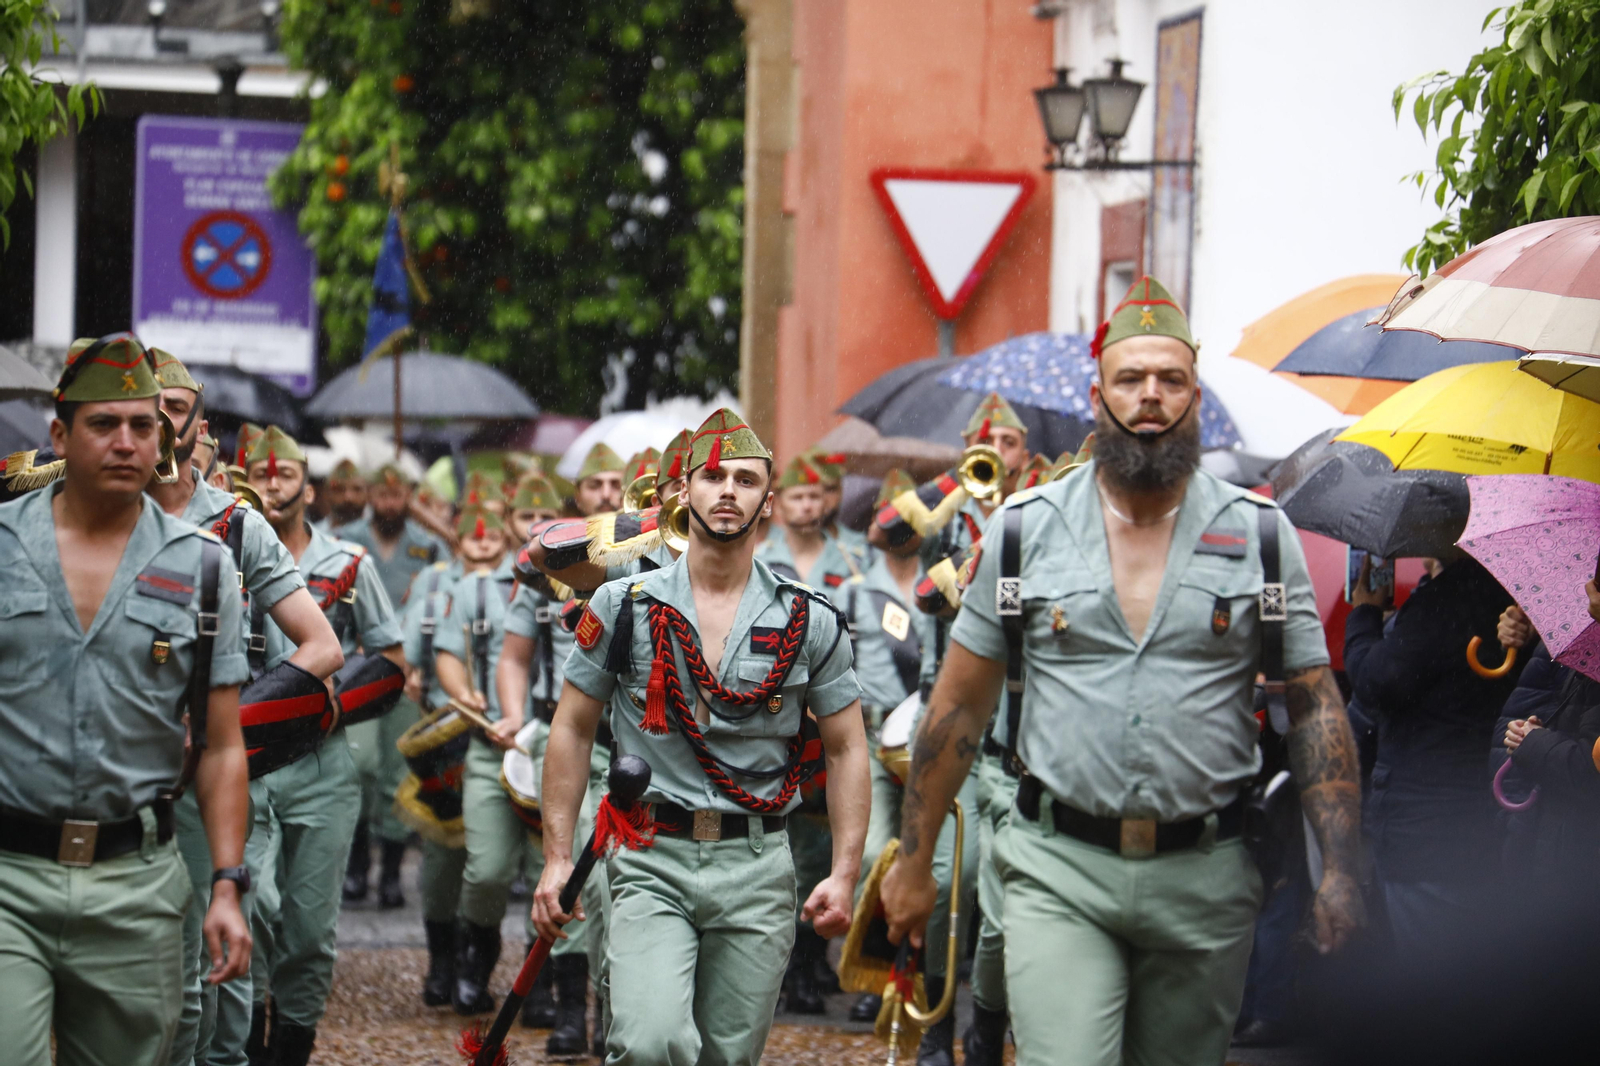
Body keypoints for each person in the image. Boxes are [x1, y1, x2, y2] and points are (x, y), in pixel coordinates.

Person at [881, 277, 1365, 1066]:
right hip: (1059, 869)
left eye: (1170, 380)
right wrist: (912, 861)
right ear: (1098, 394)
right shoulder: (1022, 533)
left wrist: (1342, 865)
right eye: (1130, 379)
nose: (1150, 397)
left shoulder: (1261, 538)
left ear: (1194, 395)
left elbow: (1312, 705)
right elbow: (960, 709)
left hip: (1205, 878)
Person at [532, 408, 871, 1065]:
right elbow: (572, 729)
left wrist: (846, 871)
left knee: (727, 1056)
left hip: (758, 863)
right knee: (651, 1042)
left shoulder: (810, 618)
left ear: (766, 502)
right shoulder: (623, 604)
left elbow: (847, 746)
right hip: (650, 856)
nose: (727, 490)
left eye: (745, 480)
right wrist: (554, 857)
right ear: (683, 492)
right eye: (712, 476)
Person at [0, 333, 252, 1066]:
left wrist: (228, 885)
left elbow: (223, 743)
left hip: (135, 886)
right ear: (60, 434)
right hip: (8, 875)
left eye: (144, 426)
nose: (126, 442)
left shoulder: (203, 570)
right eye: (103, 424)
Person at [145, 350, 345, 1066]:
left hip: (209, 773)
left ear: (200, 423)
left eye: (174, 408)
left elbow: (321, 647)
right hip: (116, 769)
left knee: (213, 954)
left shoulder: (234, 525)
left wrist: (228, 722)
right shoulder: (98, 505)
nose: (160, 423)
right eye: (148, 407)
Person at [245, 427, 406, 1065]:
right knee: (253, 904)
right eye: (261, 472)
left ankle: (291, 1044)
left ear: (307, 488)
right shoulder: (219, 554)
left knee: (309, 930)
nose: (274, 481)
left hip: (321, 763)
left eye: (286, 473)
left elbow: (391, 661)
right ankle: (244, 1040)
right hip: (249, 763)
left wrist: (334, 706)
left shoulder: (348, 564)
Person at [1343, 552, 1516, 952]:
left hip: (1427, 830)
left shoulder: (1446, 600)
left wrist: (1365, 614)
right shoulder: (1505, 596)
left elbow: (1376, 680)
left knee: (1437, 987)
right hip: (1471, 820)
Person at [337, 462, 447, 908]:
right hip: (358, 666)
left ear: (410, 498)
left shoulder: (427, 546)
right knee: (361, 765)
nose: (389, 504)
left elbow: (440, 605)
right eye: (381, 497)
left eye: (397, 496)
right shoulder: (348, 542)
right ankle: (359, 859)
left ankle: (389, 873)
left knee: (397, 772)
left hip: (408, 672)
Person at [317, 458, 367, 532]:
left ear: (368, 493)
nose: (348, 497)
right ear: (326, 494)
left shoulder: (380, 538)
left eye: (357, 489)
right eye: (339, 490)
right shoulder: (314, 535)